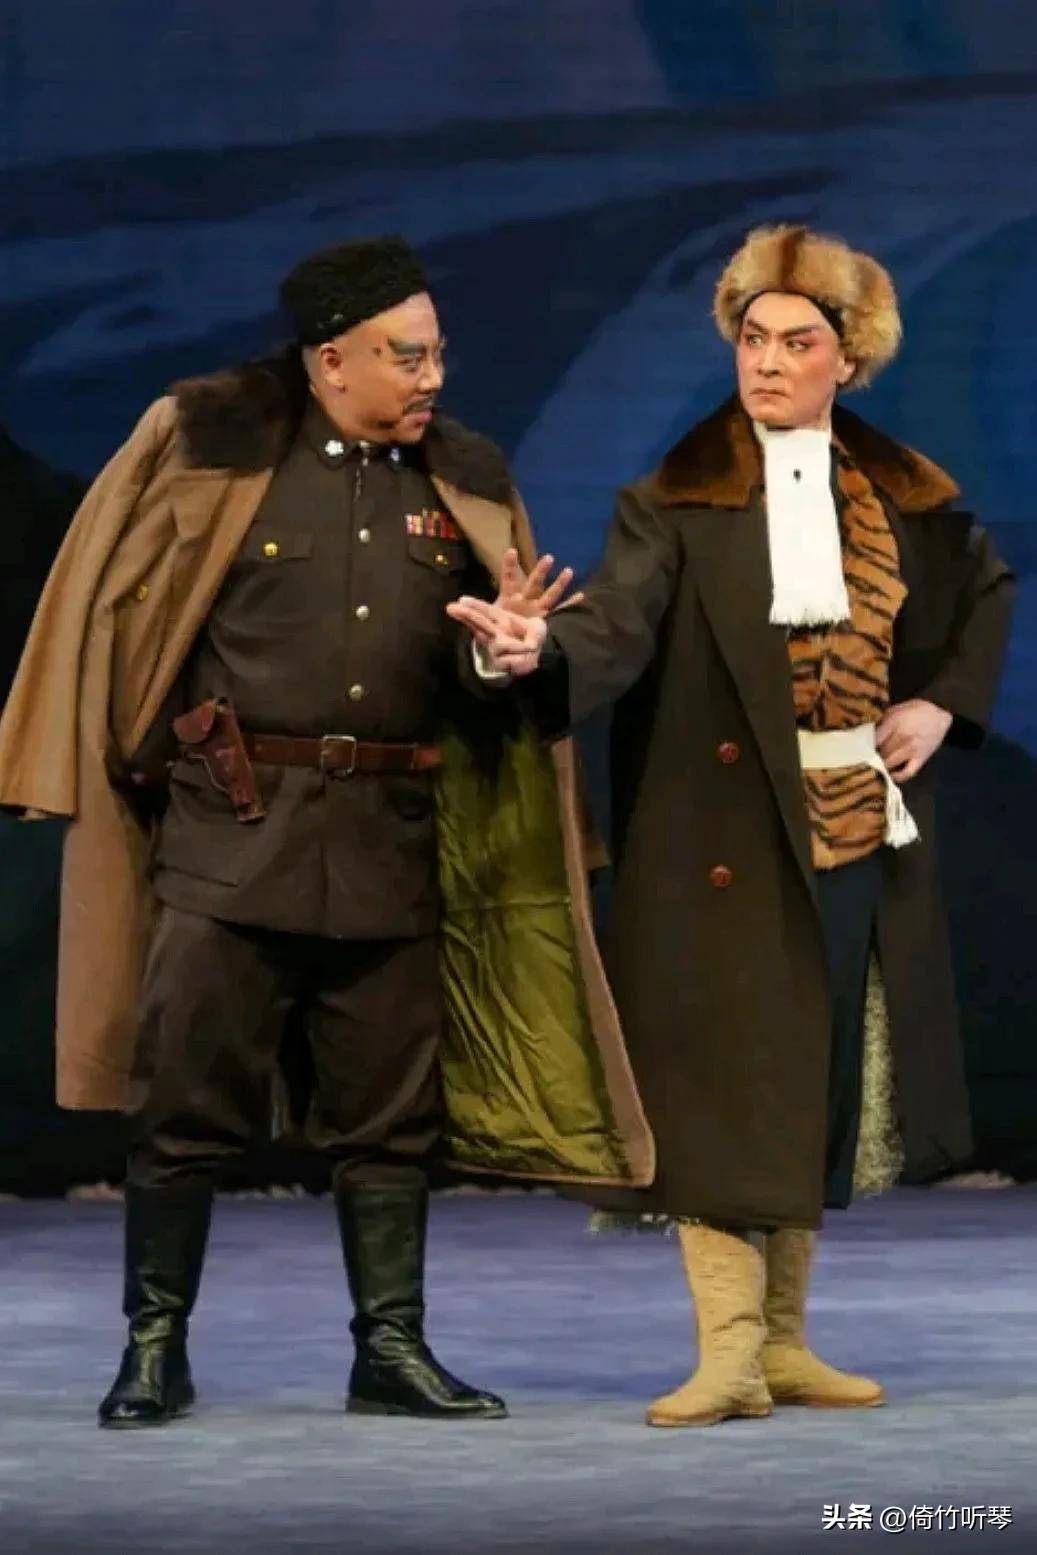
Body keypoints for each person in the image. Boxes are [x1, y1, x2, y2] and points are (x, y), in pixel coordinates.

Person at [0, 236, 653, 1429]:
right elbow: (125, 618)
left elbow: (478, 680)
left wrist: (500, 660)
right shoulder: (212, 449)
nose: (432, 376)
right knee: (183, 1107)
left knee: (390, 1121)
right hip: (230, 840)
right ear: (330, 359)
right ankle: (153, 1347)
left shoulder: (460, 476)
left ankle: (388, 1350)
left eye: (438, 353)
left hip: (386, 843)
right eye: (407, 355)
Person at [449, 224, 1016, 1427]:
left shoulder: (905, 496)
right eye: (751, 338)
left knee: (812, 1079)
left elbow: (983, 588)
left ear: (846, 357)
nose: (765, 362)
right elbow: (613, 627)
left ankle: (784, 1342)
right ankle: (727, 1351)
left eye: (795, 342)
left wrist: (938, 703)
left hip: (849, 824)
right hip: (718, 833)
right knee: (719, 1084)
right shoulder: (674, 497)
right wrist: (533, 651)